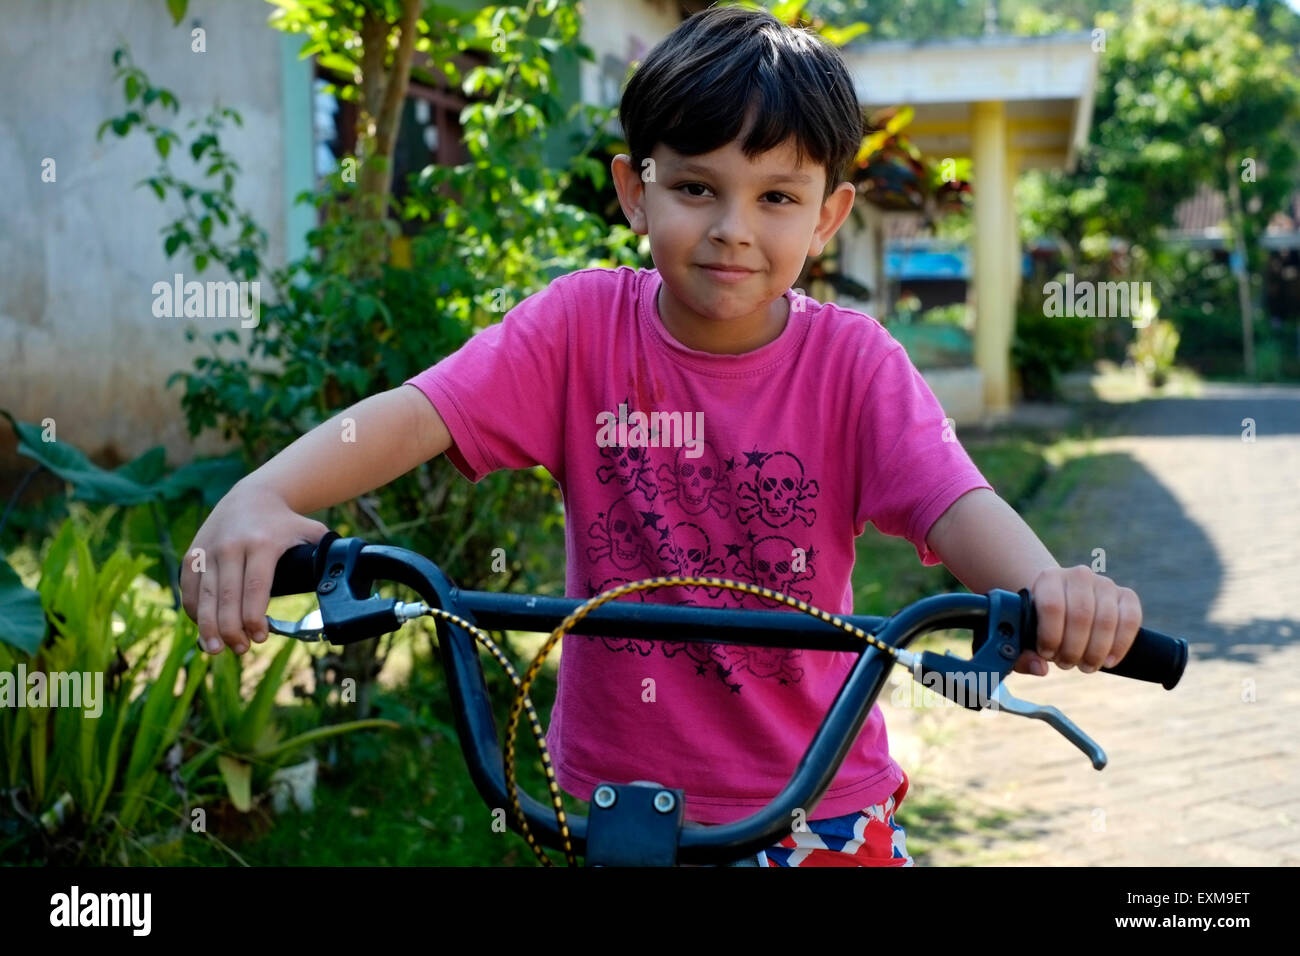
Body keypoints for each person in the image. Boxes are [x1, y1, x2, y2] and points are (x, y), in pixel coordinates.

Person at [180, 4, 1143, 867]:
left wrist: (1043, 586)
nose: (732, 228)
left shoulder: (854, 365)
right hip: (607, 812)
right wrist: (264, 495)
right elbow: (414, 412)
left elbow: (954, 499)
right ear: (635, 193)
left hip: (816, 812)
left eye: (776, 197)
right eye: (695, 188)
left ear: (827, 218)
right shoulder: (575, 329)